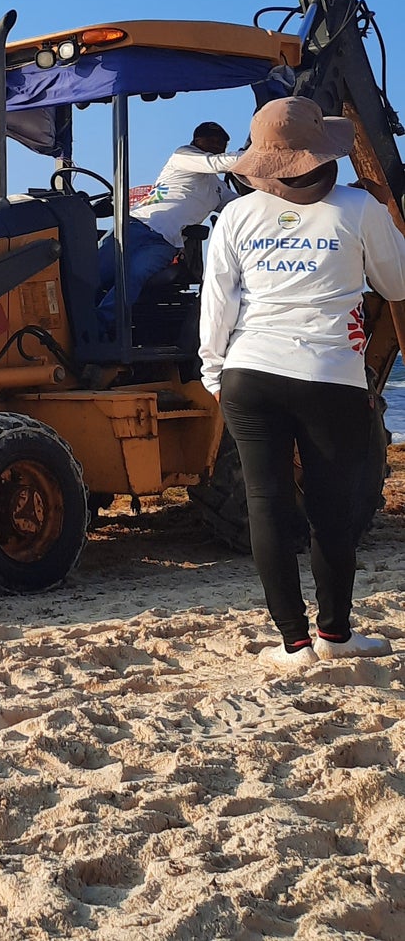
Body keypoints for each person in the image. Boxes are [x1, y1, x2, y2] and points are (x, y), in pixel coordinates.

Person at [199, 98, 405, 670]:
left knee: (266, 503)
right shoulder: (358, 207)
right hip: (328, 377)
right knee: (329, 508)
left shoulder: (237, 218)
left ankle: (292, 644)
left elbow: (218, 305)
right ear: (326, 153)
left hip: (249, 372)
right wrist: (387, 213)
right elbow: (398, 281)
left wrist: (214, 373)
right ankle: (335, 635)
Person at [97, 121, 241, 329]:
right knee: (95, 273)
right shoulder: (183, 156)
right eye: (211, 140)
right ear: (196, 141)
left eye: (222, 143)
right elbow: (216, 163)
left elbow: (240, 205)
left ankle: (100, 328)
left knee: (134, 275)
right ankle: (74, 326)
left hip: (164, 243)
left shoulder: (217, 188)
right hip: (134, 226)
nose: (217, 145)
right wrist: (259, 155)